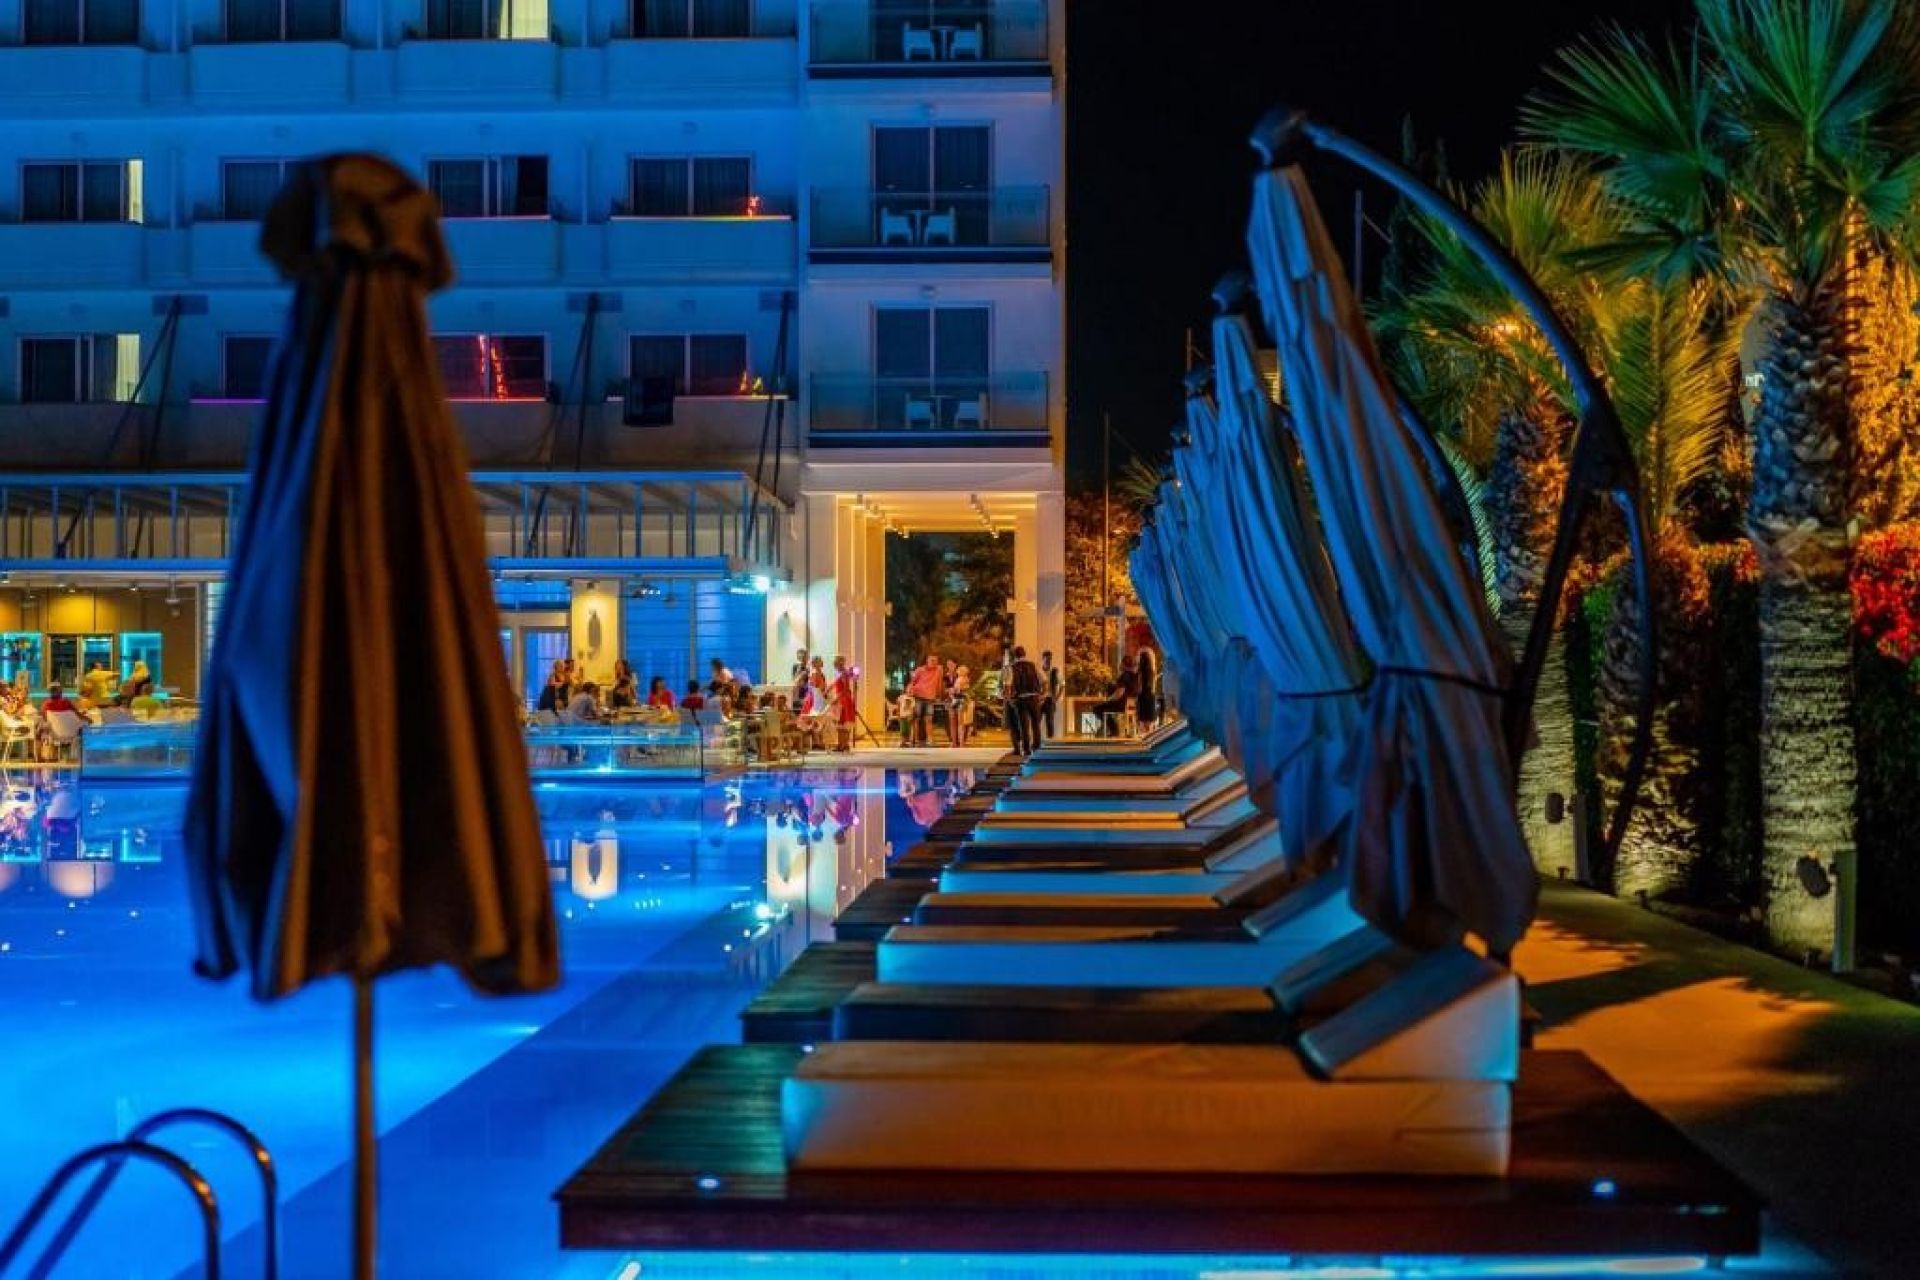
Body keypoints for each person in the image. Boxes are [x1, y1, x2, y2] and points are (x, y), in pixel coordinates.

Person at [1090, 653, 1140, 736]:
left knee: (1097, 708)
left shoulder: (1124, 676)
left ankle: (1114, 730)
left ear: (1124, 664)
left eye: (1121, 663)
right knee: (1103, 707)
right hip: (1132, 705)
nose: (1120, 665)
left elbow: (1119, 693)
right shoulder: (1137, 677)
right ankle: (1115, 730)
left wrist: (1108, 699)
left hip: (1121, 705)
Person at [1007, 646, 1043, 755]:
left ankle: (1026, 749)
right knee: (1036, 724)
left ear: (1015, 655)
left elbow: (1008, 685)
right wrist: (1042, 694)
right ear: (1025, 654)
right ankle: (1036, 746)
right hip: (1034, 698)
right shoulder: (1033, 665)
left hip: (1021, 699)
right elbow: (1044, 680)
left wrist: (1009, 698)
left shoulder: (1012, 667)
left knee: (1024, 725)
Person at [906, 654, 943, 747]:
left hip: (930, 698)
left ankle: (930, 740)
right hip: (918, 696)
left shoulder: (939, 670)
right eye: (932, 660)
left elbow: (939, 683)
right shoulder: (920, 670)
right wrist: (909, 691)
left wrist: (939, 695)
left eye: (936, 660)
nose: (934, 662)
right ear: (927, 661)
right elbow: (912, 681)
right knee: (916, 719)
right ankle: (916, 740)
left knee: (929, 719)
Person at [827, 655, 857, 753]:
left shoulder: (844, 672)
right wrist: (828, 689)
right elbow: (836, 683)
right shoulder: (839, 672)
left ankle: (845, 744)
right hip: (841, 699)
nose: (834, 664)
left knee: (844, 722)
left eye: (836, 662)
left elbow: (845, 688)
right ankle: (840, 744)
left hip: (844, 699)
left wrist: (837, 697)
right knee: (840, 722)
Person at [1039, 650, 1063, 740]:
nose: (1048, 661)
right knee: (1037, 720)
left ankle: (1050, 740)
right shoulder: (1039, 671)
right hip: (1040, 699)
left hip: (1050, 699)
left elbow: (1062, 684)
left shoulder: (1055, 671)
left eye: (1050, 659)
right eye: (1046, 659)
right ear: (1043, 659)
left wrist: (1056, 697)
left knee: (1050, 721)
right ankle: (1037, 740)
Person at [1135, 647, 1160, 728]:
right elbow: (1154, 684)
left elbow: (1139, 685)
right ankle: (1150, 730)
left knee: (1143, 719)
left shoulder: (1140, 671)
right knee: (1150, 719)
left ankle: (1143, 730)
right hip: (1151, 694)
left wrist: (1138, 694)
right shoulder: (1152, 671)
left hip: (1142, 694)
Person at [951, 664, 974, 748]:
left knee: (960, 723)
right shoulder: (964, 679)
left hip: (960, 700)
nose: (957, 671)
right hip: (961, 700)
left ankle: (960, 743)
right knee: (961, 723)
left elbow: (958, 691)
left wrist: (953, 691)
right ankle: (959, 742)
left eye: (959, 670)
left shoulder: (961, 679)